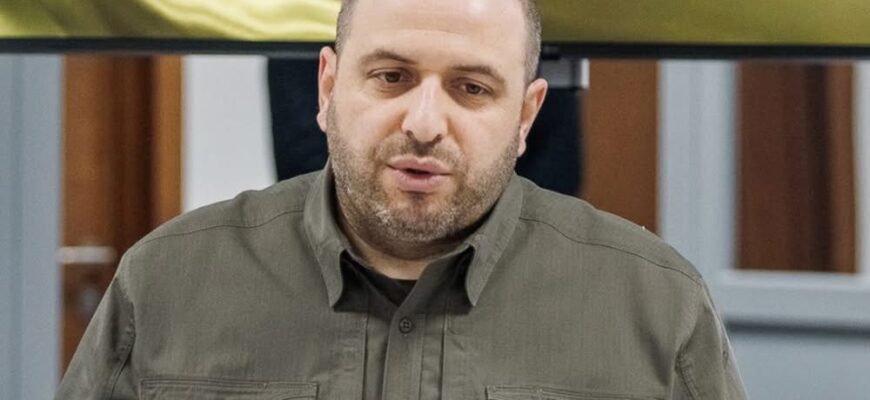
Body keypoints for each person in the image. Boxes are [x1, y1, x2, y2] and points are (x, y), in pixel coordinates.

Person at [57, 0, 747, 399]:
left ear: (527, 115)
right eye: (391, 77)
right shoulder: (168, 284)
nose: (423, 123)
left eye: (471, 88)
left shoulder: (655, 306)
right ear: (327, 87)